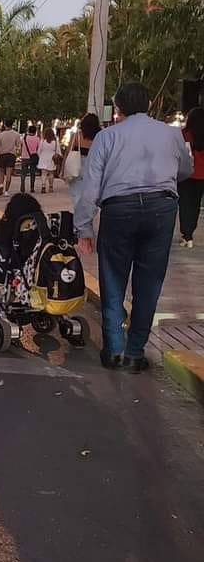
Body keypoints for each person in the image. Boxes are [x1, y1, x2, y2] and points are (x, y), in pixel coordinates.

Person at [74, 81, 192, 372]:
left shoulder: (107, 137)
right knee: (149, 282)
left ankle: (114, 350)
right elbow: (185, 169)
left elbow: (91, 186)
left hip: (118, 208)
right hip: (161, 208)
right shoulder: (171, 133)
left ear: (118, 108)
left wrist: (84, 227)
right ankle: (135, 352)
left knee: (113, 279)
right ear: (149, 105)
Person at [178, 106, 204, 248]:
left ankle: (187, 235)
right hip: (202, 176)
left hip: (187, 175)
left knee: (187, 205)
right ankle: (189, 233)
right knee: (197, 205)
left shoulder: (185, 134)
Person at [65, 112, 101, 204]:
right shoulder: (100, 137)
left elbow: (68, 153)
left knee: (76, 193)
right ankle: (88, 214)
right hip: (94, 167)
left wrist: (63, 169)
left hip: (77, 166)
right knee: (91, 194)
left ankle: (78, 211)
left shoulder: (77, 136)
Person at [0, 121, 22, 196]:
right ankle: (6, 191)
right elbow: (18, 146)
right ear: (12, 125)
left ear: (5, 125)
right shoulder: (16, 134)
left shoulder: (0, 135)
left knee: (1, 172)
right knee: (9, 174)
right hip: (11, 155)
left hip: (2, 155)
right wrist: (17, 153)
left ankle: (1, 184)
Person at [37, 126, 58, 194]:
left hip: (43, 158)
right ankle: (51, 187)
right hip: (52, 159)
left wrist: (40, 156)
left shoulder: (42, 141)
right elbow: (58, 151)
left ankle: (43, 186)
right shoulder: (55, 142)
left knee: (43, 174)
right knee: (51, 173)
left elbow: (38, 151)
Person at [20, 124, 41, 193]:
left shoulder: (24, 138)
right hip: (33, 158)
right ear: (35, 131)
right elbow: (39, 148)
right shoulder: (37, 139)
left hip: (24, 157)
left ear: (28, 131)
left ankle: (22, 187)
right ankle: (32, 188)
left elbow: (21, 146)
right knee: (32, 173)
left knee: (23, 173)